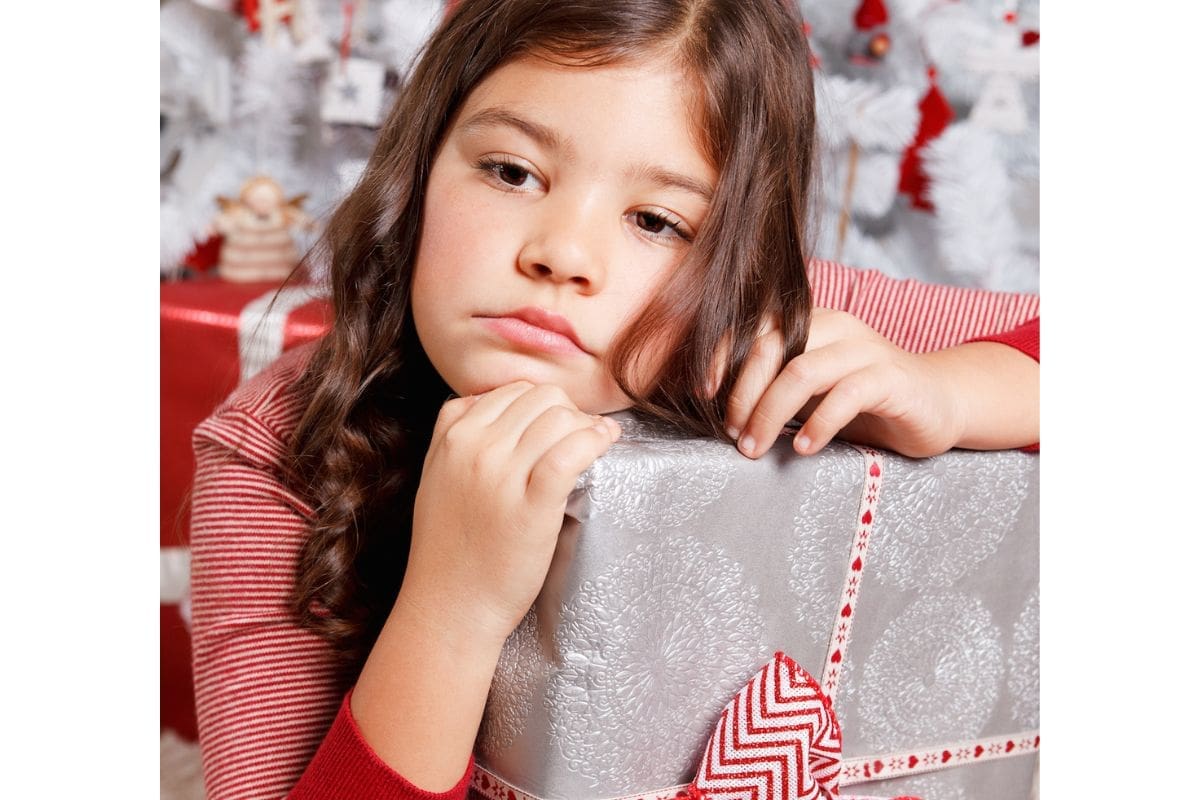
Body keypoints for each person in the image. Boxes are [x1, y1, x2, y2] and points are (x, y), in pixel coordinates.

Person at [188, 1, 1040, 798]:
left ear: (736, 263)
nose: (565, 253)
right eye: (513, 171)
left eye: (657, 222)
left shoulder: (762, 329)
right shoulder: (276, 453)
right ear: (418, 166)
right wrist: (453, 608)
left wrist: (953, 392)